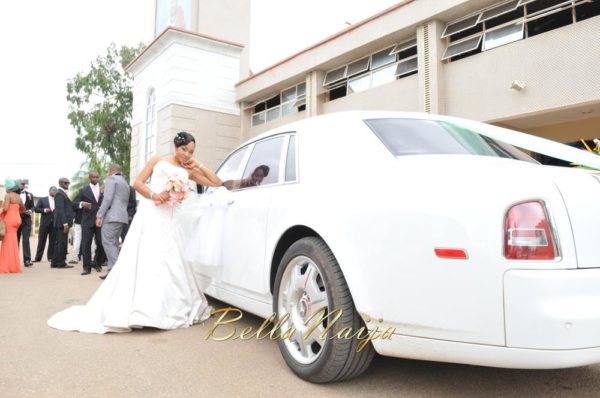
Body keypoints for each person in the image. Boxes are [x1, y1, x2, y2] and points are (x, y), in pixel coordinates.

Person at [48, 131, 224, 333]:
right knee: (147, 258)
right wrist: (155, 194)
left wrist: (198, 164)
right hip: (152, 215)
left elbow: (216, 182)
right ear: (176, 146)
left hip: (172, 219)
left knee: (171, 261)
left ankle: (166, 307)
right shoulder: (158, 160)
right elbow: (138, 183)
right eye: (184, 149)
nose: (187, 154)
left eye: (191, 152)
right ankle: (141, 309)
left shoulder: (189, 169)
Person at [96, 164, 130, 280]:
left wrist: (99, 215)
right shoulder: (125, 182)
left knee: (108, 243)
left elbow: (107, 199)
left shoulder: (111, 179)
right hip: (121, 217)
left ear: (110, 171)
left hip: (111, 217)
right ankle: (112, 271)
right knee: (114, 243)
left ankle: (116, 271)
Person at [73, 171, 105, 275]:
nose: (95, 178)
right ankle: (86, 267)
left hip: (100, 220)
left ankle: (97, 263)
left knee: (100, 243)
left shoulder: (103, 189)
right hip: (87, 221)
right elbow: (74, 203)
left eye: (97, 177)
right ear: (89, 178)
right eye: (93, 177)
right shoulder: (83, 190)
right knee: (86, 244)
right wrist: (82, 204)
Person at [0, 179, 25, 273]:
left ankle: (6, 266)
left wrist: (1, 209)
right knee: (13, 242)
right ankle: (14, 266)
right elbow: (24, 209)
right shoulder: (19, 197)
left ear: (9, 188)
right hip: (17, 220)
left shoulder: (8, 196)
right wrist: (15, 211)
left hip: (9, 220)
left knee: (6, 243)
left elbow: (5, 209)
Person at [50, 178, 74, 269]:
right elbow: (60, 210)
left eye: (68, 182)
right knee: (62, 243)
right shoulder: (60, 194)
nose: (67, 184)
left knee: (58, 243)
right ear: (60, 183)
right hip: (62, 223)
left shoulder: (63, 193)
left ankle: (55, 262)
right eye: (65, 182)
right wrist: (65, 224)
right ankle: (61, 262)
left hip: (61, 223)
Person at [33, 186, 57, 263]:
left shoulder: (58, 200)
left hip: (54, 224)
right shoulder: (43, 199)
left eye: (55, 190)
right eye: (53, 190)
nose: (54, 191)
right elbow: (36, 209)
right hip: (44, 224)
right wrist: (44, 210)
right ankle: (38, 258)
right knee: (41, 241)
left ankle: (50, 257)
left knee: (52, 242)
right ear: (49, 191)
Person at [16, 179, 34, 267]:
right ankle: (15, 260)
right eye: (21, 184)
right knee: (16, 239)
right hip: (16, 219)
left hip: (27, 220)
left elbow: (33, 206)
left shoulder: (30, 195)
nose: (23, 185)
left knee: (26, 239)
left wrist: (30, 210)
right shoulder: (14, 194)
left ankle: (27, 260)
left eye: (24, 184)